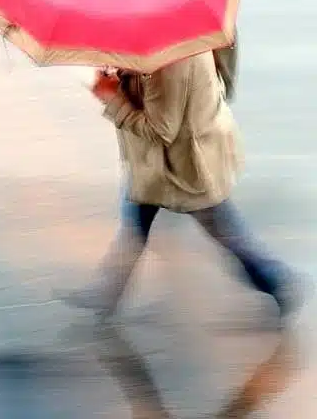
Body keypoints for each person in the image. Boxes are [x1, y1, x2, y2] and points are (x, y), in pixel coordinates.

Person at [58, 50, 307, 325]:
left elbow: (162, 129)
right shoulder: (186, 39)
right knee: (134, 222)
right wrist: (124, 73)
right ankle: (105, 294)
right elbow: (224, 73)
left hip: (185, 170)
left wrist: (112, 98)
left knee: (227, 234)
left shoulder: (169, 62)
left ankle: (278, 283)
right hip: (157, 165)